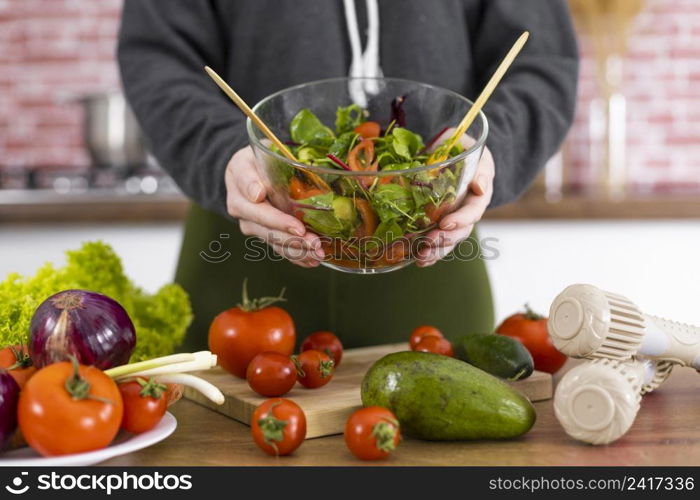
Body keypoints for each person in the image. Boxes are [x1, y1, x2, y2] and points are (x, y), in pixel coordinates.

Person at [118, 0, 578, 352]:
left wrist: (483, 152)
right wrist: (222, 152)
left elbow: (540, 60)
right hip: (242, 244)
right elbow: (159, 59)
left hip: (430, 239)